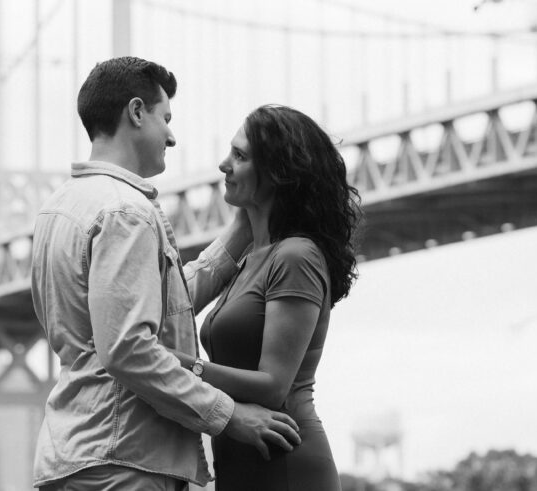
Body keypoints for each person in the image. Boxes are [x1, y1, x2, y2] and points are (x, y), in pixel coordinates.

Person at [30, 57, 301, 491]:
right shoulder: (127, 212)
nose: (172, 136)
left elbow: (153, 304)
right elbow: (128, 348)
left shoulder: (59, 208)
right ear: (137, 112)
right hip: (125, 459)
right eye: (165, 118)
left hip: (74, 452)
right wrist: (229, 416)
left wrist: (240, 233)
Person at [171, 104, 362, 491]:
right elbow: (177, 299)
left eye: (239, 156)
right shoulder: (249, 259)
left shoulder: (296, 256)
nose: (224, 164)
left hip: (287, 463)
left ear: (277, 174)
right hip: (240, 463)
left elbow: (273, 384)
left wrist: (175, 365)